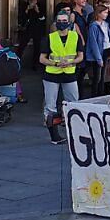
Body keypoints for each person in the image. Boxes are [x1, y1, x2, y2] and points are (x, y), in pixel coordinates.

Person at [39, 12, 82, 144]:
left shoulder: (75, 37)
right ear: (55, 22)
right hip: (52, 74)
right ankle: (54, 136)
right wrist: (56, 63)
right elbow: (42, 59)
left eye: (64, 20)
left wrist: (71, 62)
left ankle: (74, 132)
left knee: (73, 103)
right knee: (50, 107)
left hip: (69, 74)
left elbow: (81, 56)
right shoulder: (49, 38)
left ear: (69, 22)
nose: (61, 23)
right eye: (59, 20)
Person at [84, 4, 110, 97]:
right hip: (99, 52)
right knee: (97, 77)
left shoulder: (106, 24)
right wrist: (98, 58)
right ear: (99, 13)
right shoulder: (93, 26)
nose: (106, 14)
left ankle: (101, 94)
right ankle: (95, 95)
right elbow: (93, 43)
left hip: (106, 50)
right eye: (105, 13)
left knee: (103, 76)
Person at [18, 0, 47, 71]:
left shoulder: (41, 5)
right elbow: (21, 18)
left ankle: (35, 65)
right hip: (28, 29)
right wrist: (27, 10)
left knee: (37, 47)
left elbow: (43, 18)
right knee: (22, 45)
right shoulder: (24, 5)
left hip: (37, 29)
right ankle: (16, 62)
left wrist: (37, 11)